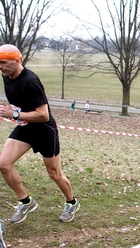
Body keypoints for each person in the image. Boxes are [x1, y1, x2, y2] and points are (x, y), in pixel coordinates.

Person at [0, 44, 80, 223]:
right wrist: (13, 109)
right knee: (3, 164)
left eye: (4, 63)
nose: (1, 66)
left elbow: (43, 115)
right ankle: (26, 201)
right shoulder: (6, 75)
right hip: (25, 127)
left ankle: (71, 202)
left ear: (18, 60)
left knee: (54, 174)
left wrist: (14, 114)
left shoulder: (30, 81)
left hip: (44, 130)